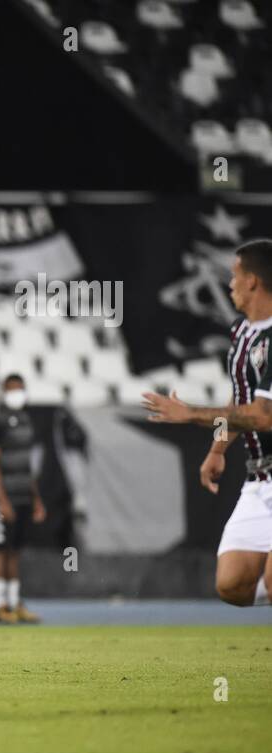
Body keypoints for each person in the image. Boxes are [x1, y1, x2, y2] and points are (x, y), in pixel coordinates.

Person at [143, 238, 272, 607]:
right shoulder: (241, 332)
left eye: (234, 275)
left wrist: (191, 413)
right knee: (232, 585)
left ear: (252, 282)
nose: (229, 283)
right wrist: (218, 449)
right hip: (259, 477)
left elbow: (263, 417)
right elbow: (240, 401)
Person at [0, 374, 46, 624]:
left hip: (23, 495)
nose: (17, 394)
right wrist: (2, 500)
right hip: (5, 496)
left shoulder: (26, 420)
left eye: (20, 389)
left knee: (15, 551)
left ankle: (14, 602)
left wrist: (36, 498)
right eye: (12, 389)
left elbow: (26, 465)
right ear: (3, 391)